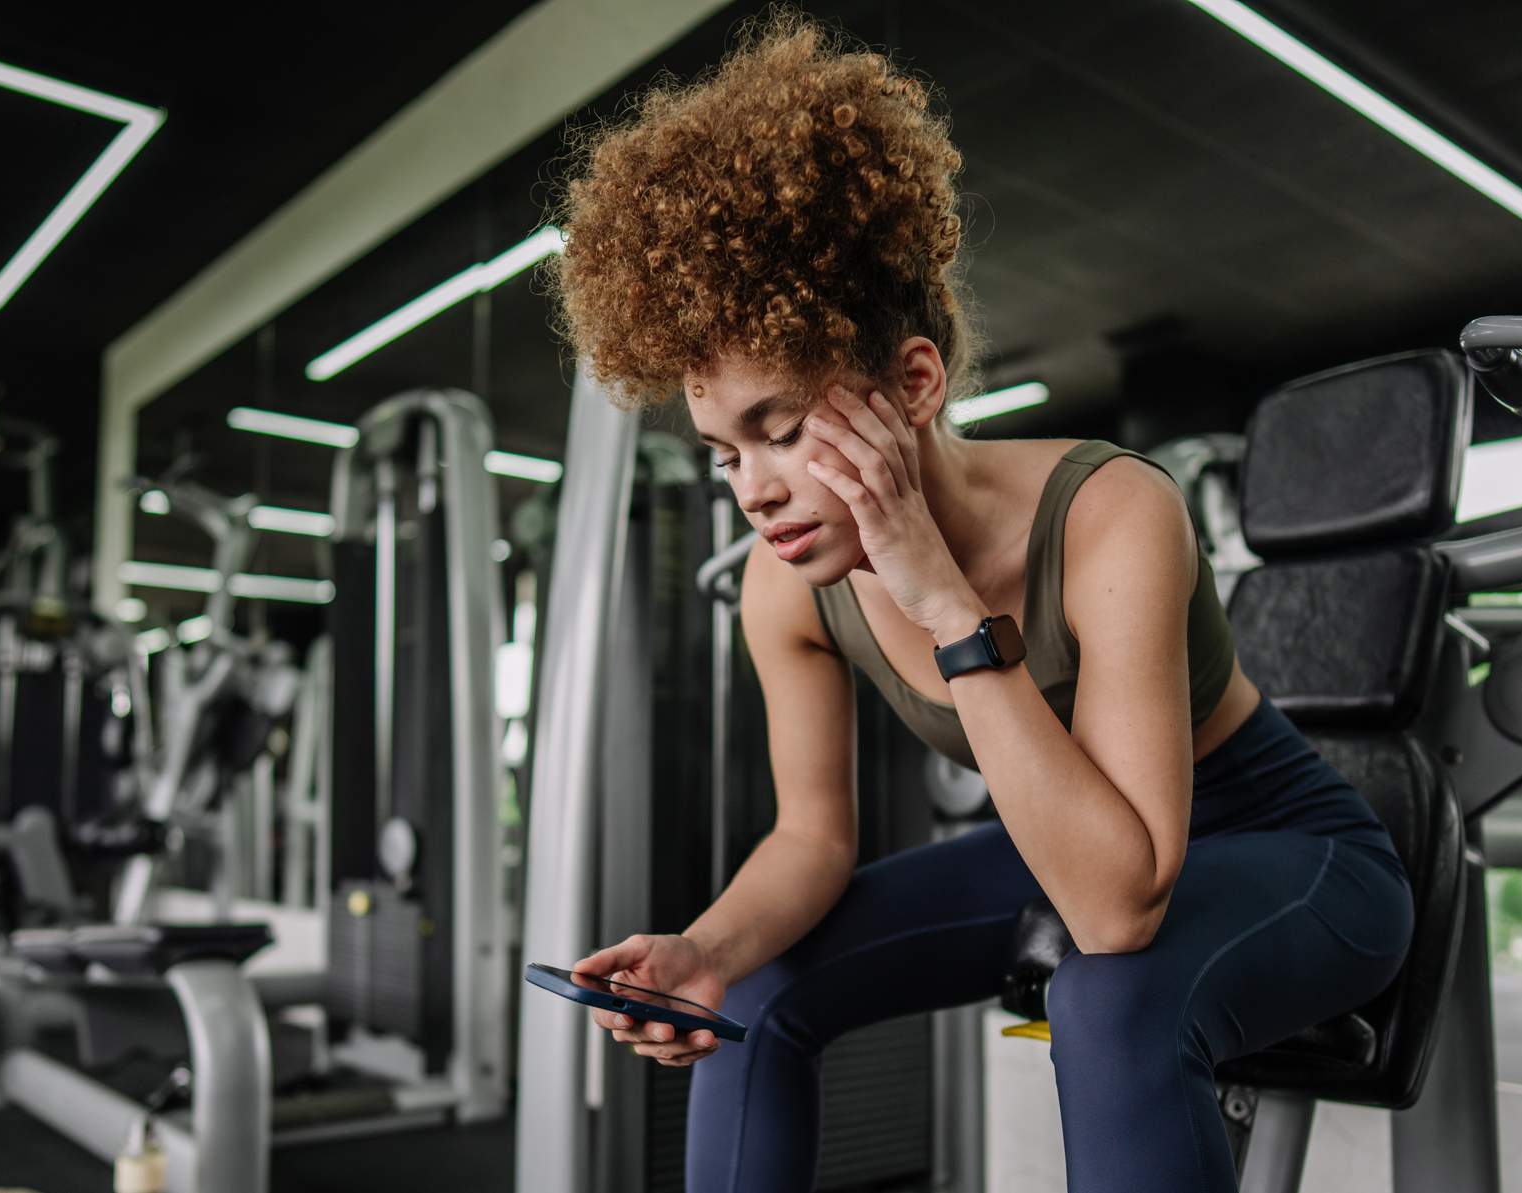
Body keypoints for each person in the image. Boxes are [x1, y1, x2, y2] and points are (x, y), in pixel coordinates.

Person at [552, 15, 1413, 1193]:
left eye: (784, 430)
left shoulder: (1113, 510)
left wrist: (941, 594)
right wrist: (704, 948)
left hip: (1292, 851)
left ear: (913, 383)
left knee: (1110, 990)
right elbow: (812, 838)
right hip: (1056, 838)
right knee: (762, 979)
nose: (752, 489)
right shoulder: (788, 588)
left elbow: (1116, 905)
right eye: (721, 453)